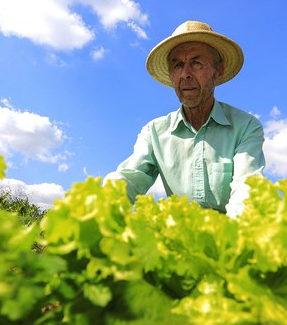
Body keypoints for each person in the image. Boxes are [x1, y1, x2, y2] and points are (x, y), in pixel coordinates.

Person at [104, 20, 265, 218]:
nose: (185, 74)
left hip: (230, 235)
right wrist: (101, 207)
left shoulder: (246, 127)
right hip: (178, 237)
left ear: (218, 71)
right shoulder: (154, 132)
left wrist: (230, 242)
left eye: (197, 63)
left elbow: (247, 188)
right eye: (178, 65)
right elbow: (128, 179)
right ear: (171, 75)